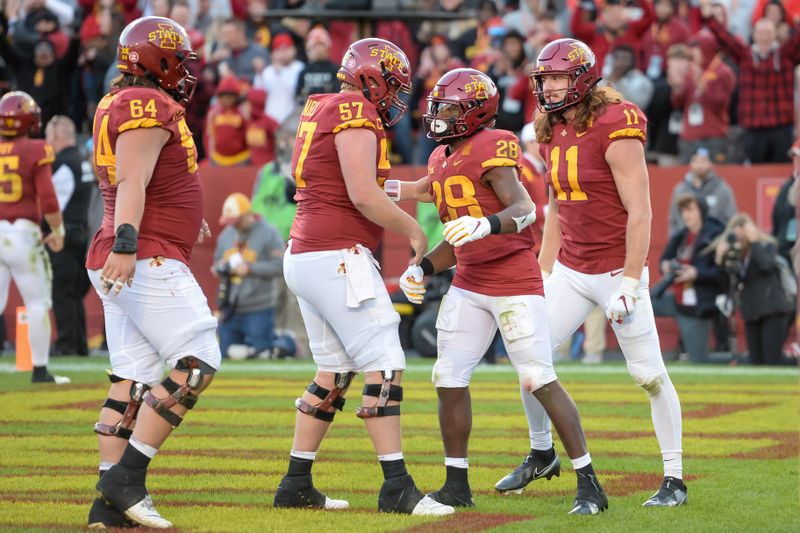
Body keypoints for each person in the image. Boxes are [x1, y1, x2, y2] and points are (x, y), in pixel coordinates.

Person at [390, 68, 608, 516]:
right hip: (469, 282)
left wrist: (486, 224)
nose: (440, 115)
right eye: (440, 106)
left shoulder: (493, 145)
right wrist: (424, 266)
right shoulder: (440, 158)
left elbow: (524, 208)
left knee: (538, 379)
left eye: (451, 108)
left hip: (513, 279)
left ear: (475, 111)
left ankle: (589, 483)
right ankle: (456, 485)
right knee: (447, 377)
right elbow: (457, 234)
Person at [497, 38, 686, 507]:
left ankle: (675, 479)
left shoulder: (615, 123)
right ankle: (542, 452)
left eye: (560, 78)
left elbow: (641, 212)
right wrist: (543, 269)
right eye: (546, 80)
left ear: (581, 78)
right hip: (572, 269)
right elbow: (557, 205)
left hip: (617, 268)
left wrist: (629, 279)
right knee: (531, 359)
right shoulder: (548, 128)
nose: (551, 88)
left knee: (649, 375)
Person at [274, 37, 453, 517]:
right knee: (386, 365)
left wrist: (409, 190)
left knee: (333, 372)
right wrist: (414, 229)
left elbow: (344, 177)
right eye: (392, 86)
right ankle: (396, 486)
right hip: (337, 255)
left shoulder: (322, 106)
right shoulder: (357, 113)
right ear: (373, 79)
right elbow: (361, 194)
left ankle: (295, 482)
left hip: (307, 253)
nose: (395, 97)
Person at [85, 16, 220, 529]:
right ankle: (125, 480)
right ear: (157, 59)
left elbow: (149, 180)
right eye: (179, 59)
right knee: (198, 361)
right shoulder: (146, 103)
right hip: (142, 254)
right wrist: (128, 241)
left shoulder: (117, 99)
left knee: (132, 379)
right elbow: (133, 181)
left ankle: (106, 507)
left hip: (135, 250)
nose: (185, 70)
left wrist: (184, 214)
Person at [0, 90, 68, 384]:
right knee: (37, 302)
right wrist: (57, 230)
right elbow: (49, 198)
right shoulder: (36, 149)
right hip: (23, 235)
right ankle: (40, 370)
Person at [700, 0, 800, 163]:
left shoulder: (784, 55)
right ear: (754, 35)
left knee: (780, 173)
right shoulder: (745, 56)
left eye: (768, 33)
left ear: (774, 34)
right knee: (754, 174)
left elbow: (797, 38)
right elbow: (725, 38)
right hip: (753, 128)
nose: (764, 37)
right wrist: (710, 17)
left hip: (781, 126)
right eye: (760, 33)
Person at [712, 214, 796, 365]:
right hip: (751, 312)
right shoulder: (736, 255)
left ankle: (794, 361)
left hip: (773, 310)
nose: (741, 239)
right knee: (756, 362)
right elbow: (725, 284)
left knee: (772, 360)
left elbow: (766, 266)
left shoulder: (767, 246)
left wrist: (754, 242)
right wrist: (720, 260)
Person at [213, 192, 285, 359]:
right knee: (226, 354)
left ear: (247, 216)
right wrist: (220, 268)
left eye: (237, 221)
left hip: (258, 307)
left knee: (262, 353)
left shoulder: (269, 233)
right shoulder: (226, 234)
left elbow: (280, 265)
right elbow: (216, 261)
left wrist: (250, 268)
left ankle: (287, 343)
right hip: (230, 306)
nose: (234, 226)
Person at [653, 194, 724, 362]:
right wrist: (666, 266)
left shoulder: (715, 235)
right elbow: (663, 261)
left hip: (697, 305)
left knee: (698, 360)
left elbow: (723, 273)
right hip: (678, 298)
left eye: (690, 210)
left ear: (702, 211)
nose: (686, 215)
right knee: (639, 303)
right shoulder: (681, 236)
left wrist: (696, 273)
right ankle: (640, 355)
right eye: (683, 211)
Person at [45, 115, 93, 357]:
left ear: (54, 136)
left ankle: (66, 344)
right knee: (73, 292)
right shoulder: (82, 161)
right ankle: (79, 344)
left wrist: (48, 231)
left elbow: (52, 203)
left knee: (62, 292)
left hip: (63, 235)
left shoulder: (62, 163)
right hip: (81, 233)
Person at [667, 147, 737, 237]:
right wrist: (674, 244)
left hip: (714, 244)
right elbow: (674, 221)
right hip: (686, 244)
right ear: (690, 163)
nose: (699, 166)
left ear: (711, 163)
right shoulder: (680, 190)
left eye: (704, 161)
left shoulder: (723, 190)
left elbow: (731, 220)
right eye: (695, 161)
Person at [205, 76, 249, 166]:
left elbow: (247, 133)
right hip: (218, 159)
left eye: (230, 96)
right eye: (224, 96)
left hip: (240, 159)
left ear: (236, 96)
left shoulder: (242, 112)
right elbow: (209, 136)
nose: (227, 99)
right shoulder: (214, 112)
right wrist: (210, 156)